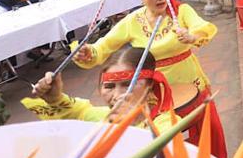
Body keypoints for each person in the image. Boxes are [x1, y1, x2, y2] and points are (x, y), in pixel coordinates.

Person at [73, 0, 226, 158]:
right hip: (154, 90)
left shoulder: (181, 12)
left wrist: (191, 36)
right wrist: (88, 52)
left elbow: (201, 28)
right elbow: (103, 47)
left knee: (205, 127)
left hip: (188, 79)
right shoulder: (132, 21)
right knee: (162, 138)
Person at [22, 46, 179, 134]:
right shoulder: (98, 116)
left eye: (127, 85)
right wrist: (55, 98)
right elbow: (75, 113)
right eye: (109, 86)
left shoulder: (167, 125)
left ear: (149, 86)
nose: (117, 95)